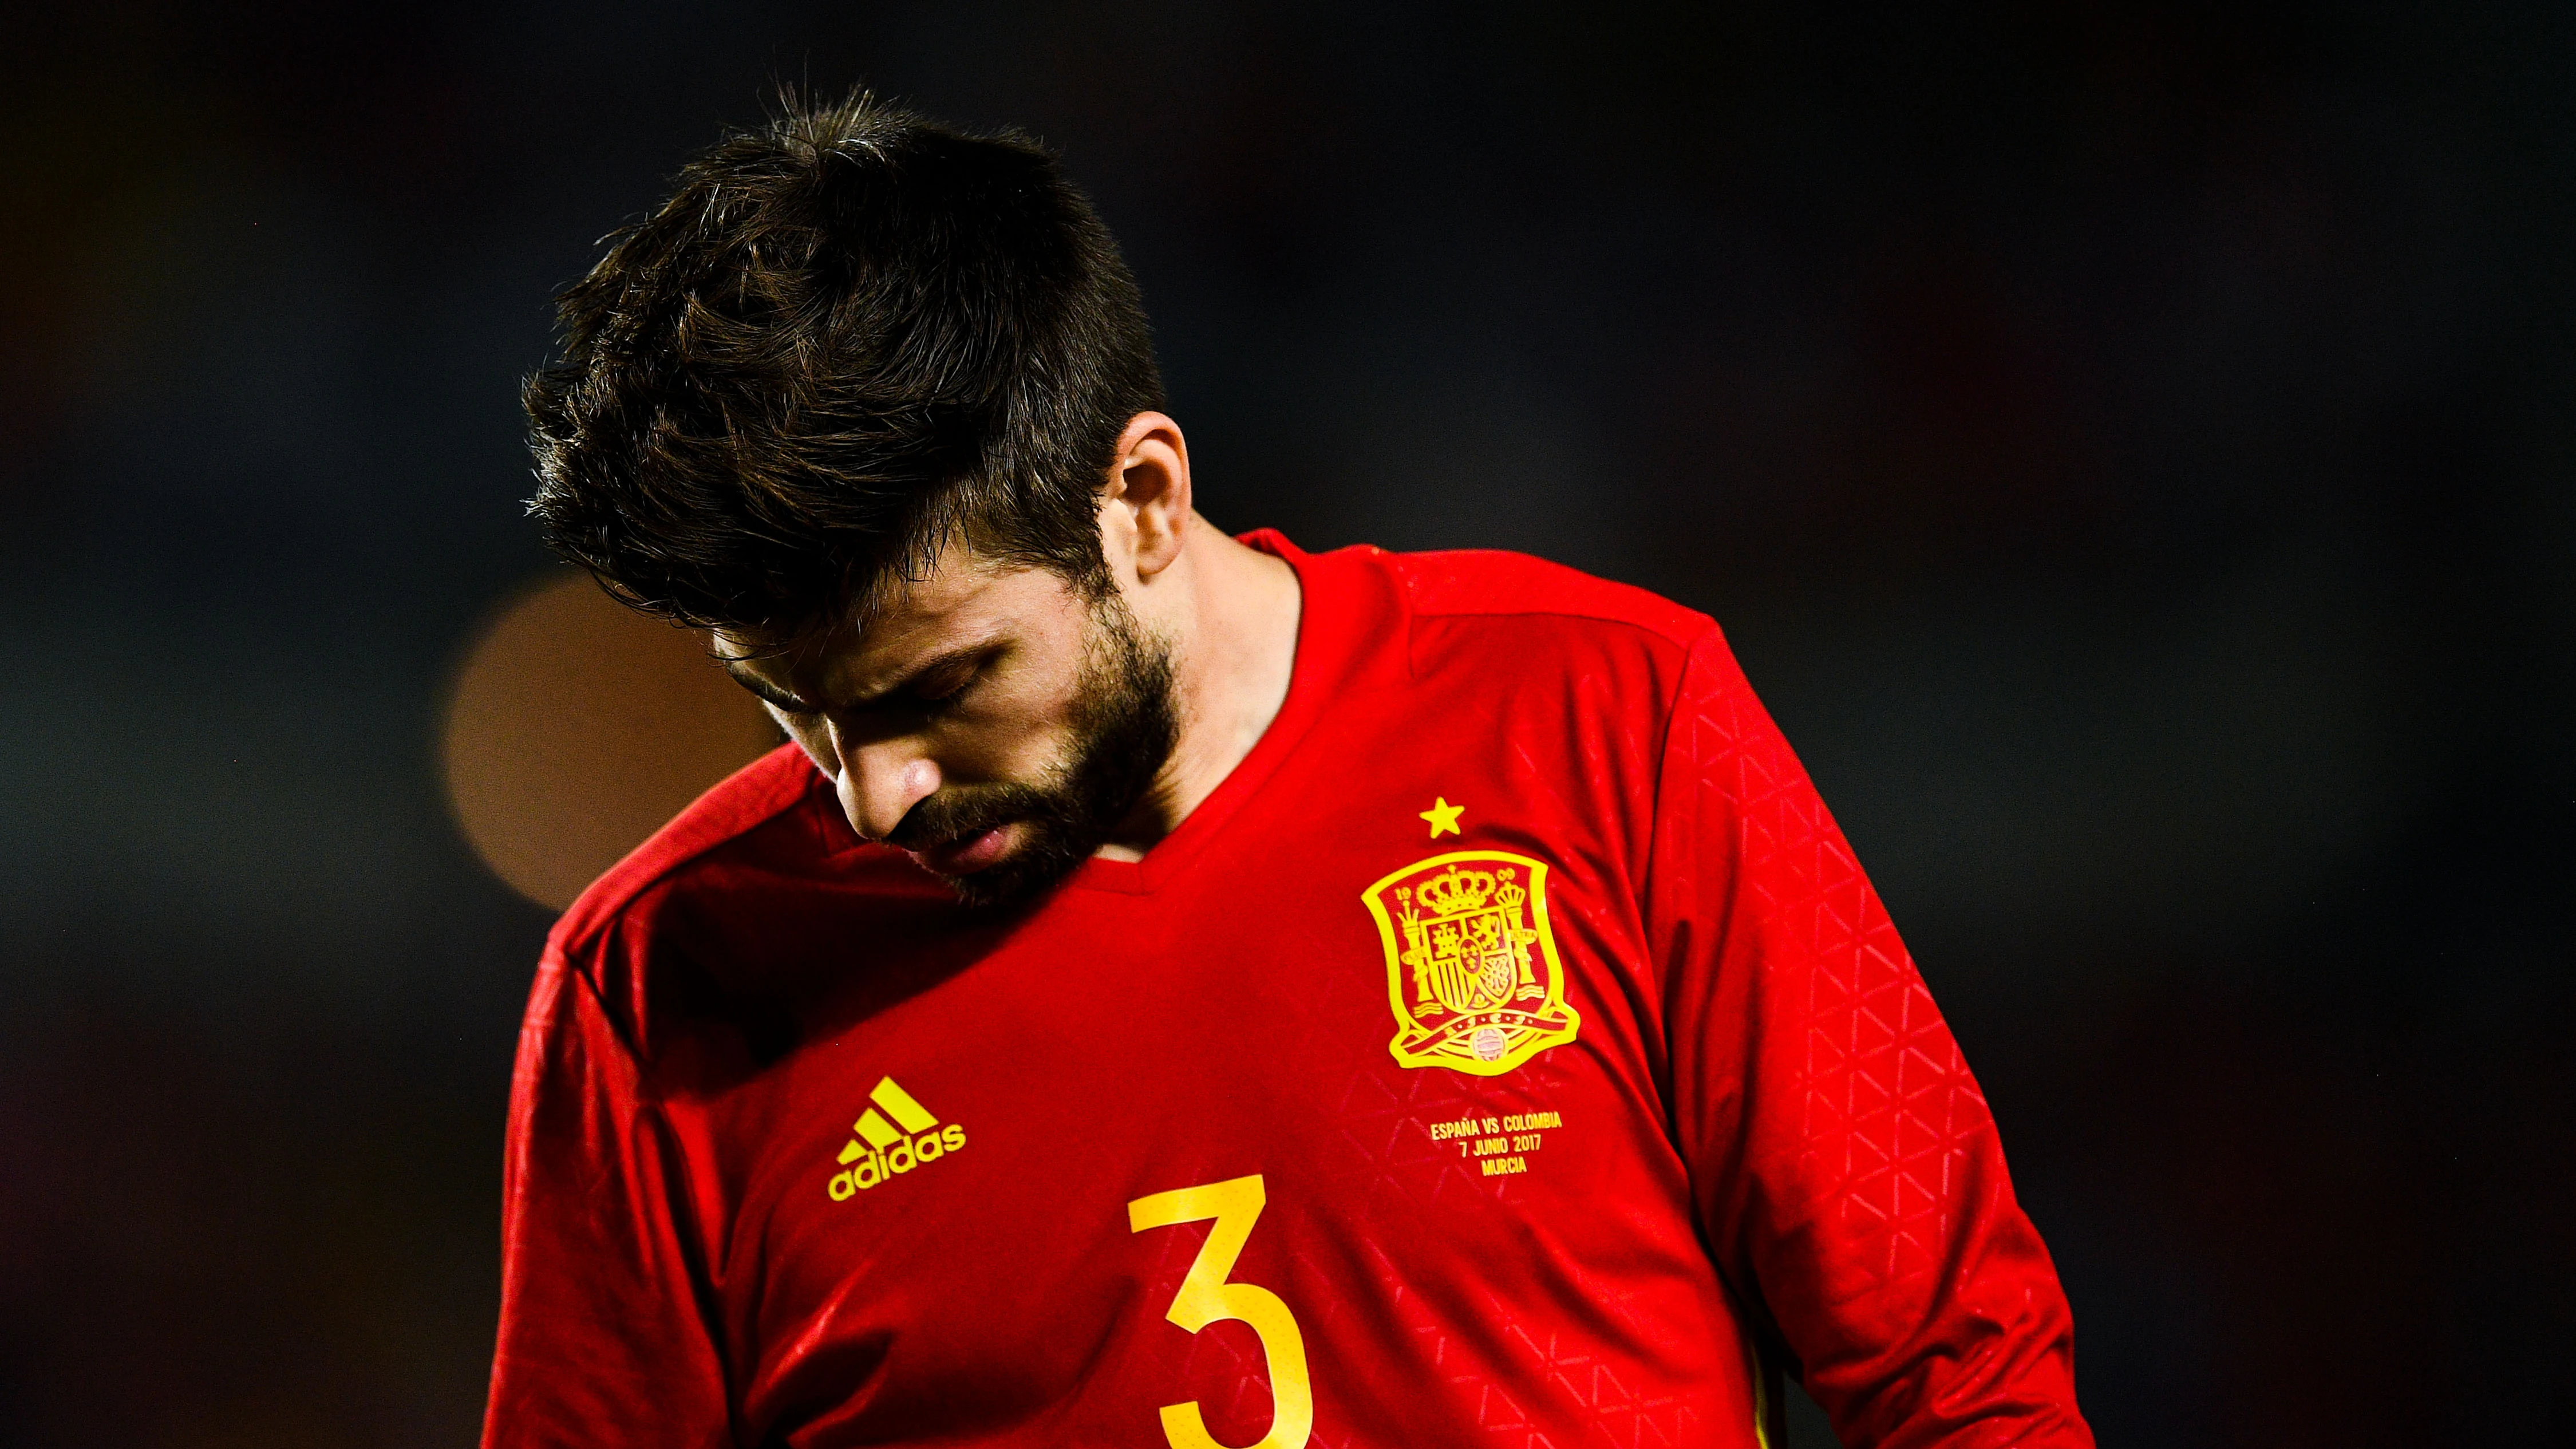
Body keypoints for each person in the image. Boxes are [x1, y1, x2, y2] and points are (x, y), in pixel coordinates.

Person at [483, 92, 2093, 1449]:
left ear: (1139, 500)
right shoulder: (653, 987)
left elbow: (1962, 1376)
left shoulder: (1602, 715)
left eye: (942, 686)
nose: (872, 798)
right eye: (792, 709)